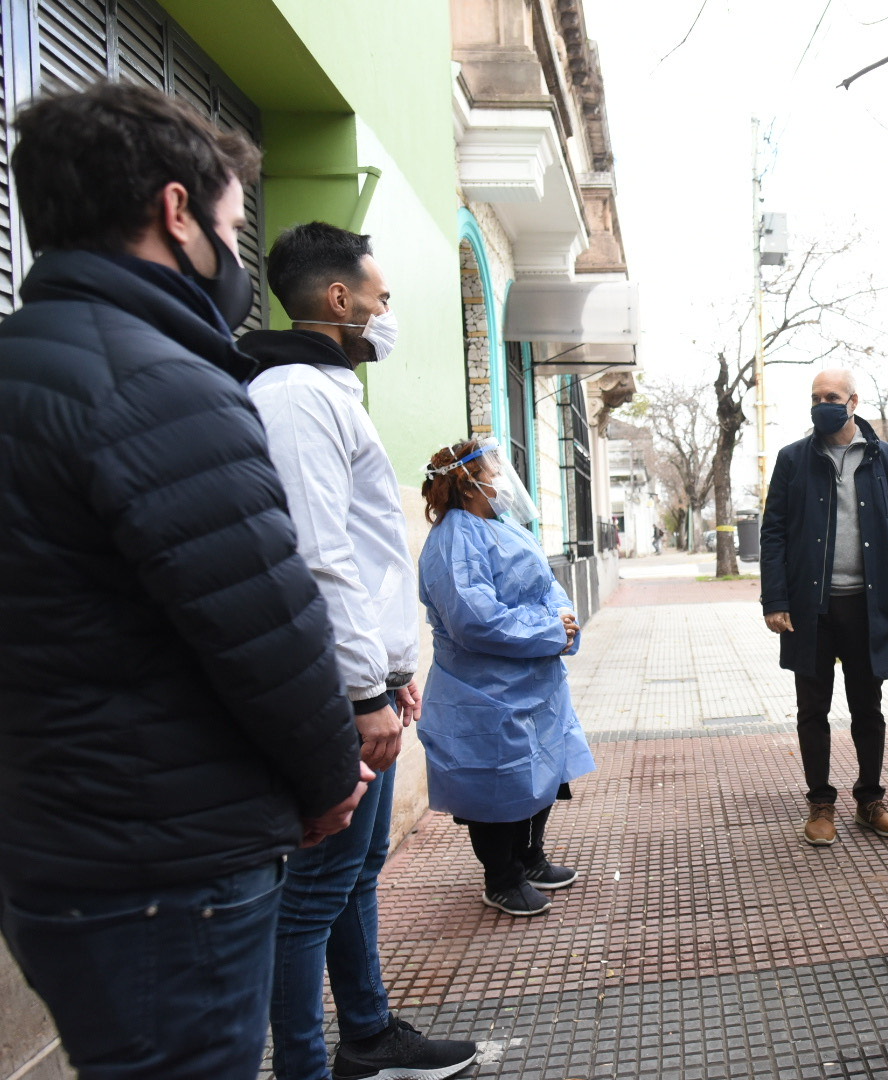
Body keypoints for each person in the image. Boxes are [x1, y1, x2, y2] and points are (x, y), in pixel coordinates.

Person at [0, 83, 368, 1080]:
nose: (238, 259)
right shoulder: (159, 382)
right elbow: (267, 625)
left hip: (55, 850)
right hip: (168, 866)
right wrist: (330, 778)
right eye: (233, 228)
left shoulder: (27, 365)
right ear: (176, 211)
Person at [239, 224, 475, 1080]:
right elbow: (318, 557)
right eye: (382, 298)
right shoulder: (295, 396)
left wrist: (394, 672)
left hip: (367, 683)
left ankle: (368, 1034)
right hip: (339, 696)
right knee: (312, 892)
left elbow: (366, 551)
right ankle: (307, 1066)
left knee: (355, 871)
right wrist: (364, 691)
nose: (387, 313)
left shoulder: (328, 391)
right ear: (339, 299)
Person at [417, 438, 596, 917]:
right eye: (494, 472)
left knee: (541, 772)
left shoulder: (504, 526)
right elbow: (474, 620)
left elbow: (548, 587)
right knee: (496, 784)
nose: (503, 481)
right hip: (485, 689)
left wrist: (562, 623)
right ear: (468, 483)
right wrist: (550, 630)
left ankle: (530, 859)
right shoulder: (454, 539)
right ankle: (501, 878)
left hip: (534, 682)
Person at [760, 368, 888, 845]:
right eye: (815, 398)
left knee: (867, 708)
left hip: (867, 606)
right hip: (810, 608)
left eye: (831, 397)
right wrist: (776, 599)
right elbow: (773, 533)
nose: (821, 405)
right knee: (812, 710)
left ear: (853, 402)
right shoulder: (793, 459)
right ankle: (820, 804)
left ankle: (870, 801)